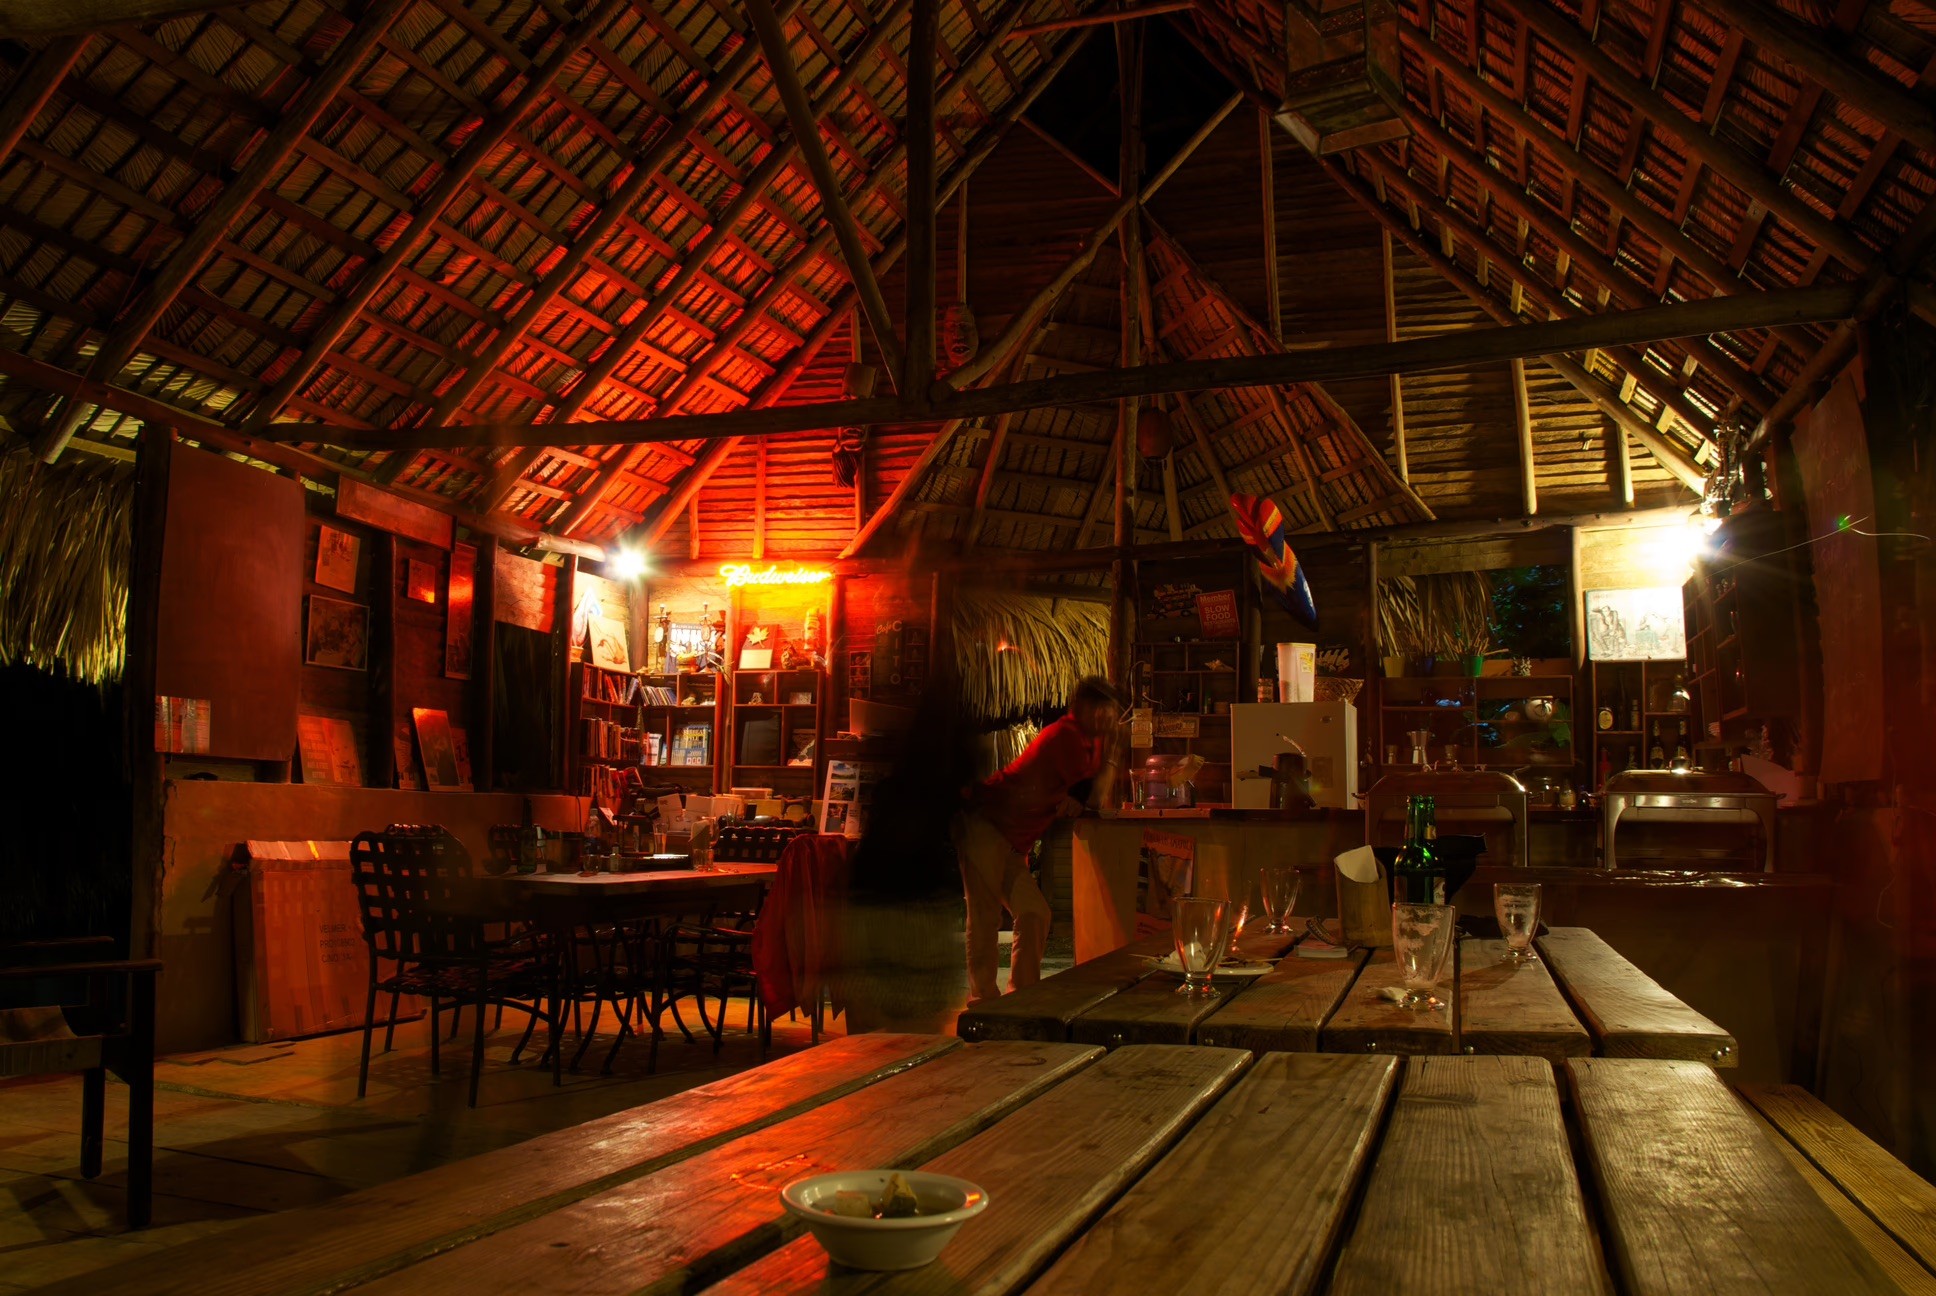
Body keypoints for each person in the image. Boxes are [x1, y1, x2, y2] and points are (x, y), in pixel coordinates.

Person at [954, 676, 1125, 1003]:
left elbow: (1091, 797)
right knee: (986, 917)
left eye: (1111, 711)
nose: (1108, 718)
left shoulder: (1094, 742)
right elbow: (1087, 795)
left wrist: (1112, 755)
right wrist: (1107, 763)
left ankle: (1022, 995)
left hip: (1014, 841)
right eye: (1103, 710)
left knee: (1034, 913)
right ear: (1084, 708)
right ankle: (983, 1003)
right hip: (985, 825)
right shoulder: (1064, 735)